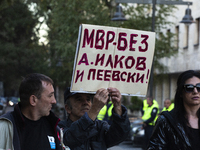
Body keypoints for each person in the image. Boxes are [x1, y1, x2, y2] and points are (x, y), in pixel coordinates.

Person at [0, 73, 63, 150]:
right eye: (50, 96)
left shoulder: (54, 127)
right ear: (33, 100)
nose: (54, 101)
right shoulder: (5, 127)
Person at [58, 87, 130, 150]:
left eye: (88, 99)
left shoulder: (100, 127)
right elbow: (70, 138)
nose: (85, 103)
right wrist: (94, 109)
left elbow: (120, 135)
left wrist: (118, 107)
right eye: (79, 100)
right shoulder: (60, 128)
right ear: (68, 108)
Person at [147, 70, 200, 150]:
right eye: (189, 88)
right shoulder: (166, 121)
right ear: (181, 93)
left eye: (199, 87)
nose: (195, 91)